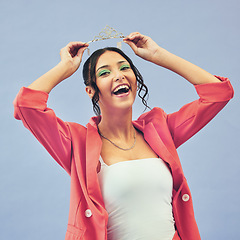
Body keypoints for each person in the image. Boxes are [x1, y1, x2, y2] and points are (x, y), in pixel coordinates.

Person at [13, 32, 234, 240]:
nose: (118, 76)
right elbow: (26, 106)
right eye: (105, 73)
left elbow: (218, 93)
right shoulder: (77, 143)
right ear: (91, 90)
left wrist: (159, 55)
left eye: (124, 68)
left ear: (134, 80)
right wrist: (64, 67)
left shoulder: (160, 129)